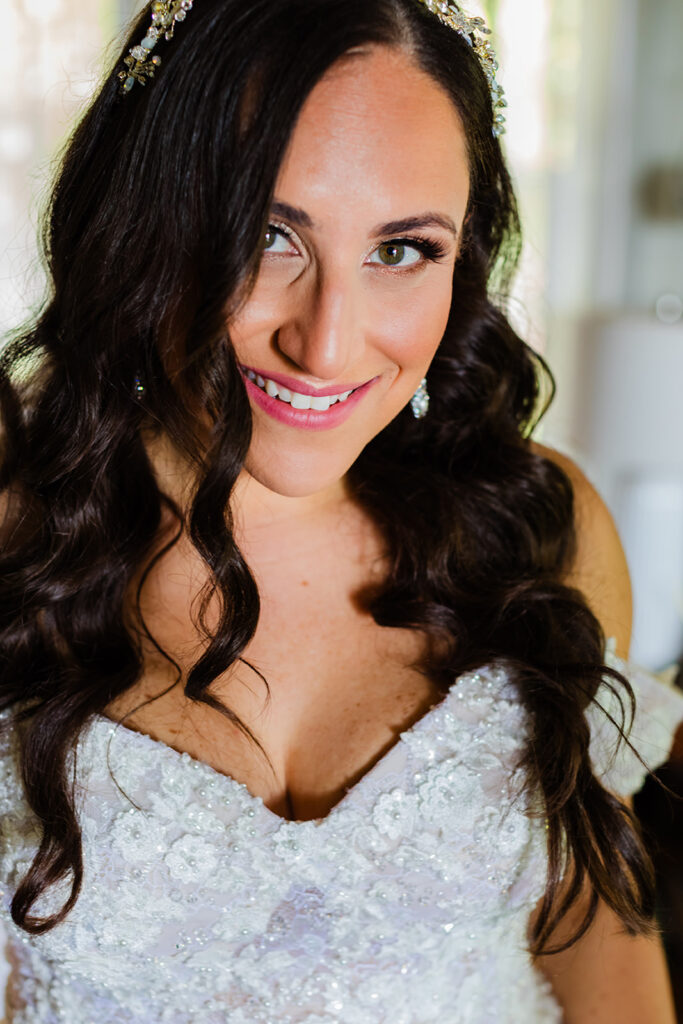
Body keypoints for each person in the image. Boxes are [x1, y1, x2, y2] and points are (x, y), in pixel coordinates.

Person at [0, 0, 681, 1020]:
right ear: (145, 225)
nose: (325, 345)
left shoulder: (540, 527)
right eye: (269, 235)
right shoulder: (18, 548)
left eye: (401, 249)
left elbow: (602, 951)